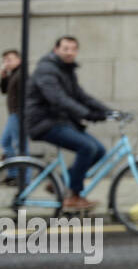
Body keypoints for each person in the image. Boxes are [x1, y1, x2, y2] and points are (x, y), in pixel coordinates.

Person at [25, 36, 111, 212]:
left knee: (99, 151)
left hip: (59, 120)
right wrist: (86, 114)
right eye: (65, 48)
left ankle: (61, 183)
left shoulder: (66, 70)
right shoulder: (46, 69)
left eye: (73, 49)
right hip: (43, 122)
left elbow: (81, 96)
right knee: (87, 147)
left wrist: (107, 111)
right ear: (56, 50)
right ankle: (74, 196)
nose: (69, 52)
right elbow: (57, 98)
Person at [1, 49, 22, 160]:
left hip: (18, 115)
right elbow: (4, 91)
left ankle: (25, 177)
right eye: (4, 60)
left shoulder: (21, 75)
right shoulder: (13, 74)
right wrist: (4, 77)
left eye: (9, 60)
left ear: (19, 60)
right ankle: (13, 173)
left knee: (20, 146)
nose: (6, 63)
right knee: (5, 142)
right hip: (13, 115)